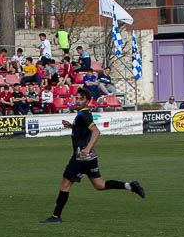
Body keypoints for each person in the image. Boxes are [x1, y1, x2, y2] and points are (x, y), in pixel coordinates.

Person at [41, 89, 145, 224]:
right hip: (91, 158)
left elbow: (96, 132)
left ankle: (56, 217)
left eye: (80, 99)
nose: (77, 101)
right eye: (76, 98)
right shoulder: (84, 114)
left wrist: (87, 148)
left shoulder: (84, 115)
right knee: (99, 185)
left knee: (65, 185)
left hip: (80, 157)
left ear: (87, 101)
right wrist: (72, 126)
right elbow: (84, 130)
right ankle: (130, 186)